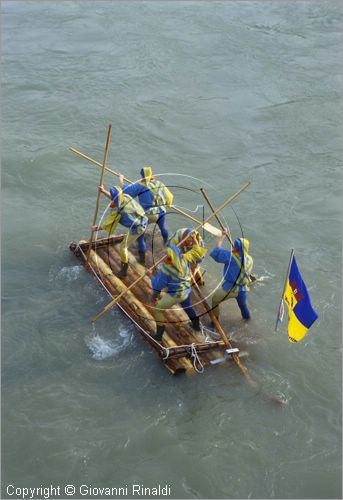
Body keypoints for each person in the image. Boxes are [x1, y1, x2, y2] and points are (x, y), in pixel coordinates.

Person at [150, 233, 207, 341]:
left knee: (158, 309)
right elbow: (197, 250)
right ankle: (196, 325)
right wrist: (194, 239)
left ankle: (158, 335)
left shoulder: (166, 270)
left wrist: (153, 275)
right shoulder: (185, 258)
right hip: (186, 290)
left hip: (176, 295)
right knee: (188, 306)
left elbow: (157, 286)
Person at [93, 184, 148, 277]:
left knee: (123, 247)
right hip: (144, 219)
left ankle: (123, 271)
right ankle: (142, 260)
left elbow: (109, 223)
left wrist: (97, 228)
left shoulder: (121, 212)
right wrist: (103, 191)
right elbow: (114, 197)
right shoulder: (125, 196)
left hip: (138, 227)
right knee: (140, 240)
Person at [118, 166, 173, 246]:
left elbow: (126, 191)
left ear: (142, 176)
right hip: (161, 212)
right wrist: (169, 204)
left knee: (140, 235)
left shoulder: (141, 185)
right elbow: (170, 196)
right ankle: (166, 243)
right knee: (163, 228)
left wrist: (121, 179)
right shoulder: (159, 183)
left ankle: (142, 254)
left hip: (148, 214)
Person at [210, 230, 253, 321]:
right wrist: (236, 250)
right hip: (242, 289)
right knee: (243, 306)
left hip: (230, 289)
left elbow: (217, 250)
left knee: (215, 300)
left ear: (236, 247)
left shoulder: (230, 256)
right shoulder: (250, 259)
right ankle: (247, 320)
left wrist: (222, 236)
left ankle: (214, 322)